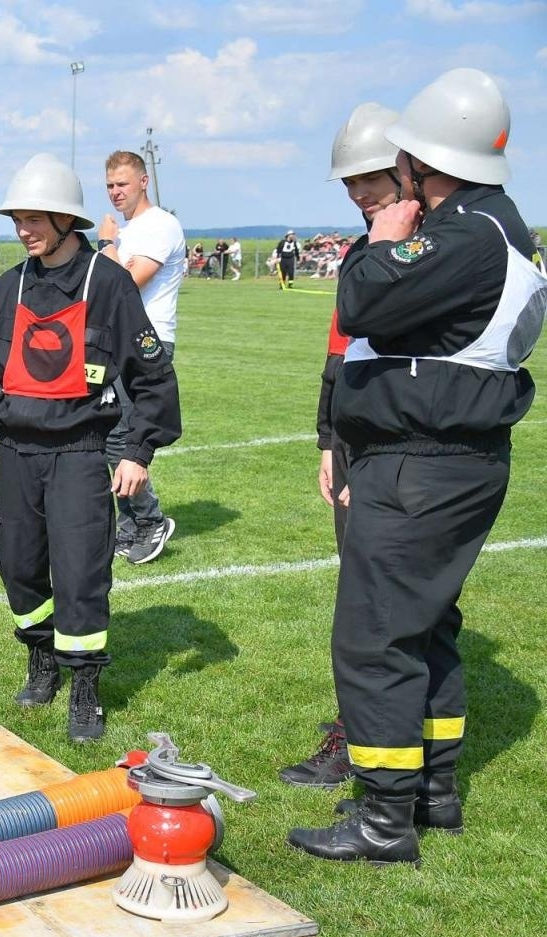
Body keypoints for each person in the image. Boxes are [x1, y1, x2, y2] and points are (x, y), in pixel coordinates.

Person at [289, 69, 543, 866]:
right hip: (447, 463)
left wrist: (384, 237)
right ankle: (432, 791)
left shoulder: (465, 233)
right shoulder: (494, 226)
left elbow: (360, 302)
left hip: (420, 469)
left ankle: (382, 820)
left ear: (426, 163)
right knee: (426, 633)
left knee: (375, 642)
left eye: (403, 170)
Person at [0, 153, 182, 743]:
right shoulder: (9, 287)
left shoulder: (107, 283)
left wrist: (138, 451)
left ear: (67, 221)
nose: (24, 230)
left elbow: (152, 376)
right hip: (17, 455)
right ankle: (41, 658)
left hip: (83, 452)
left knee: (82, 573)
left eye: (36, 219)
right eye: (18, 220)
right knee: (18, 566)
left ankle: (84, 686)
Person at [279, 102, 405, 790]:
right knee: (359, 596)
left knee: (386, 604)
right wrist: (331, 440)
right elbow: (343, 357)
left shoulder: (421, 249)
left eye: (371, 178)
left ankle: (379, 748)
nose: (359, 194)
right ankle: (358, 735)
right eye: (349, 183)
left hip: (400, 449)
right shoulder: (364, 251)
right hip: (358, 443)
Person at [97, 149, 185, 565]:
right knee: (111, 437)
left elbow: (125, 285)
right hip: (117, 343)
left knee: (127, 439)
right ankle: (130, 526)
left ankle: (151, 521)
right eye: (110, 186)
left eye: (123, 184)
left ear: (143, 181)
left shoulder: (160, 225)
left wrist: (107, 245)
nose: (116, 192)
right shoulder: (131, 231)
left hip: (148, 345)